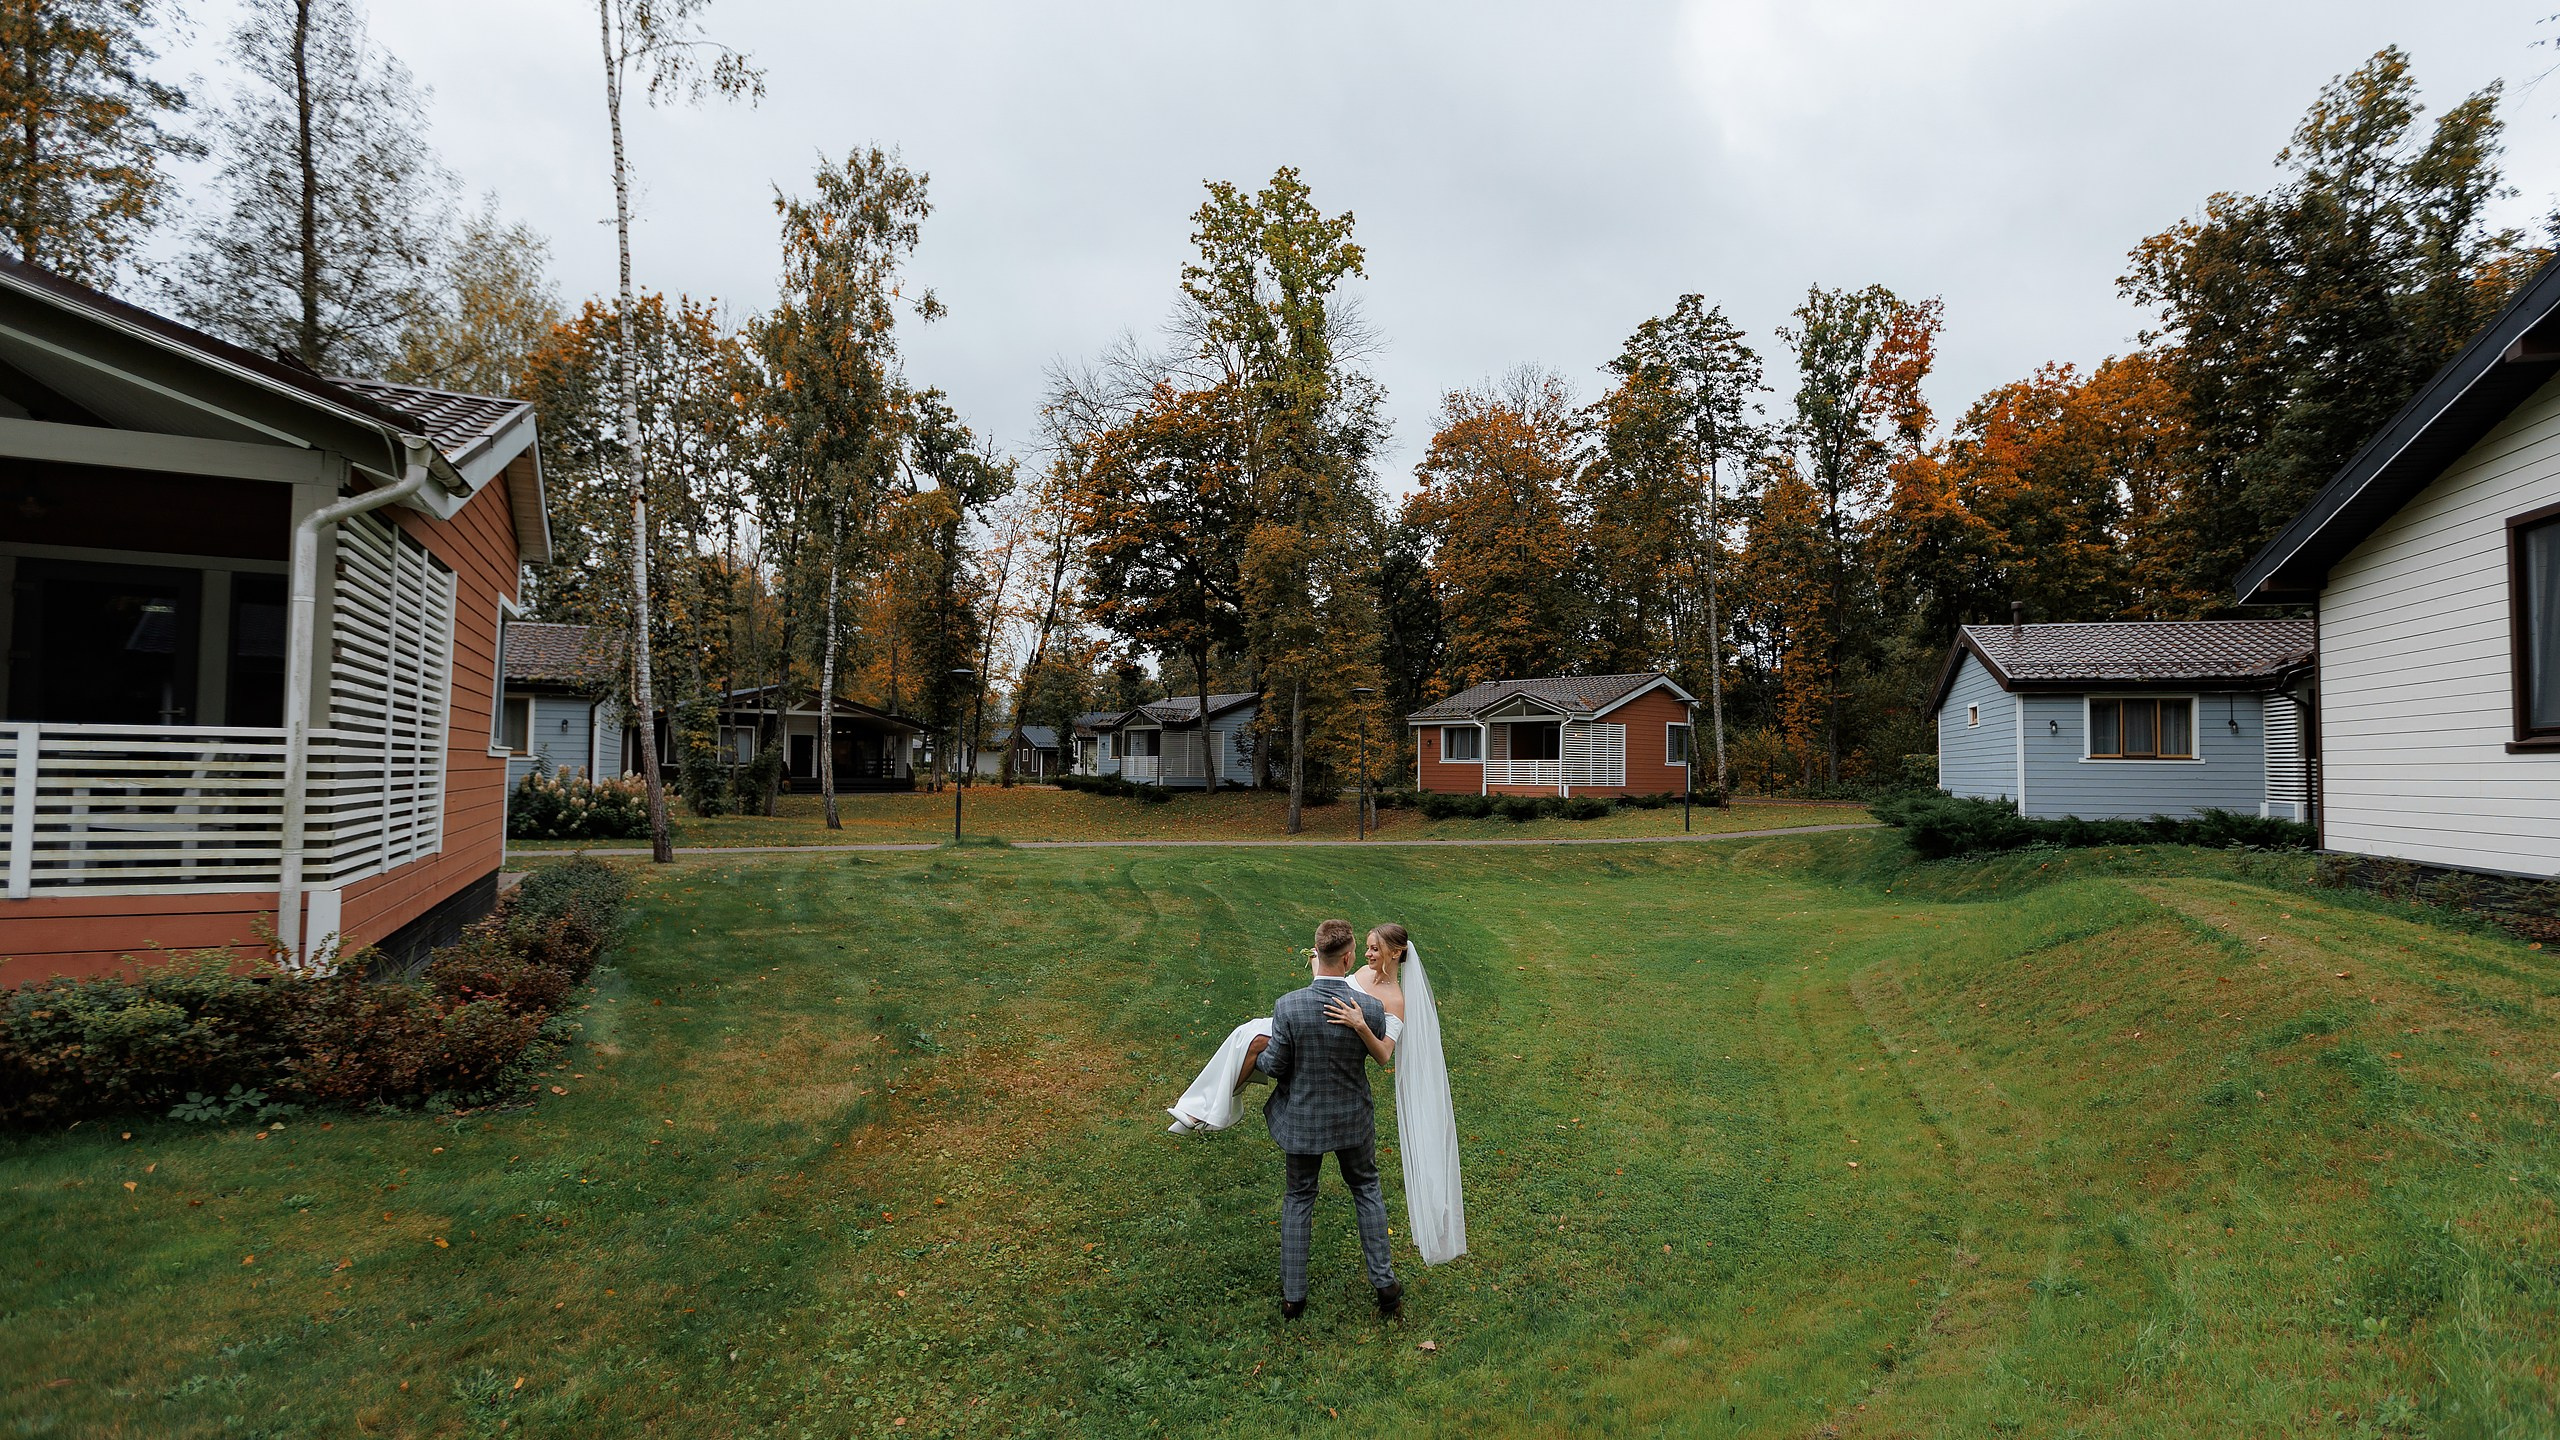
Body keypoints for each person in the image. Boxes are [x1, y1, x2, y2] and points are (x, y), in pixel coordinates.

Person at [1257, 919, 1400, 1320]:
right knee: (1367, 1189)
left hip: (1303, 1121)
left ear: (1315, 954)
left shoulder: (1288, 1006)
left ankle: (1293, 1298)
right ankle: (1385, 1287)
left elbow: (1276, 1064)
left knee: (1299, 1197)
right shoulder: (1370, 1009)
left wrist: (1256, 1054)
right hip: (1353, 1119)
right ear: (1349, 957)